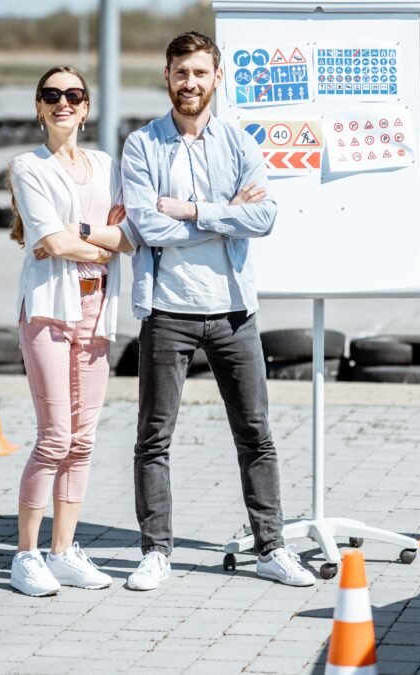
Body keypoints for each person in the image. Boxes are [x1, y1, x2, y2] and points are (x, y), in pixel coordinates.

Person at [120, 31, 314, 590]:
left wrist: (192, 210)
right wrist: (225, 212)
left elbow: (266, 217)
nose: (190, 83)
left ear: (216, 78)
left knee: (256, 434)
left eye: (200, 73)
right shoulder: (143, 146)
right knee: (154, 438)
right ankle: (156, 553)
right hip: (167, 310)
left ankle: (272, 549)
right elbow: (146, 224)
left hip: (234, 312)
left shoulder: (238, 142)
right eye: (181, 73)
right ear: (167, 76)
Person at [7, 66, 135, 596]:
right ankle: (26, 556)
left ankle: (64, 551)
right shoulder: (26, 166)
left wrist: (85, 236)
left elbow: (129, 236)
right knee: (55, 436)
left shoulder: (105, 165)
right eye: (52, 95)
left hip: (97, 310)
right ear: (39, 107)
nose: (63, 102)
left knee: (82, 441)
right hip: (48, 311)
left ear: (87, 107)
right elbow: (52, 245)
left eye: (74, 95)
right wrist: (99, 242)